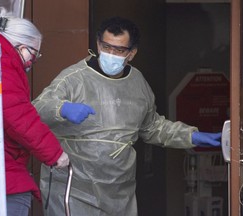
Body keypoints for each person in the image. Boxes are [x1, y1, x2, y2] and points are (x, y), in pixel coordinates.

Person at [33, 16, 221, 216]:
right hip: (75, 187)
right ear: (98, 44)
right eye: (106, 47)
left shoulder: (138, 83)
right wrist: (61, 109)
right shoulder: (74, 79)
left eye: (119, 50)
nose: (111, 54)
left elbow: (152, 127)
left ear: (132, 53)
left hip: (118, 190)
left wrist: (192, 136)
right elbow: (36, 109)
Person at [0, 14, 69, 216]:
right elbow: (18, 116)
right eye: (33, 55)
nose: (31, 62)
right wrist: (54, 154)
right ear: (21, 46)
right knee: (17, 193)